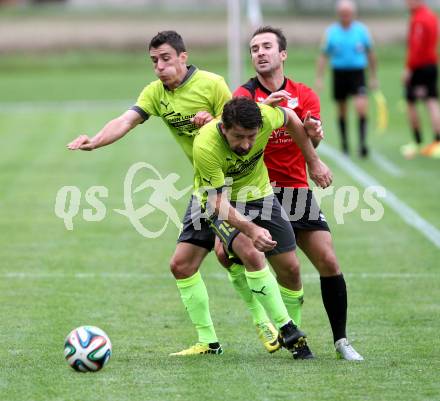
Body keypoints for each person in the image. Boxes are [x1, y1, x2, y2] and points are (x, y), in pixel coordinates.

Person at [67, 30, 252, 356]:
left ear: (183, 56)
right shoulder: (156, 93)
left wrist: (214, 124)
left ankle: (270, 323)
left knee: (228, 255)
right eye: (154, 61)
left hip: (234, 183)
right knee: (181, 265)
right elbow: (125, 120)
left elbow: (241, 129)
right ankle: (209, 342)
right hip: (204, 187)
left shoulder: (212, 84)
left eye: (166, 59)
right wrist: (95, 141)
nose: (159, 67)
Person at [222, 26, 363, 361]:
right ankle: (284, 330)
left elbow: (307, 142)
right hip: (257, 193)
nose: (260, 52)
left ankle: (342, 341)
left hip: (296, 189)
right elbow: (234, 143)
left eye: (267, 46)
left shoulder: (305, 94)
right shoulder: (243, 97)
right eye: (254, 48)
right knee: (282, 266)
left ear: (282, 54)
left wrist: (313, 136)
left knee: (328, 260)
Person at [193, 96, 333, 359]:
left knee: (291, 269)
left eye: (251, 137)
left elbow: (290, 118)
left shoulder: (267, 116)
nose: (246, 144)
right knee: (252, 251)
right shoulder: (205, 145)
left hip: (261, 195)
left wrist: (312, 160)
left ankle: (291, 324)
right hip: (222, 203)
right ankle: (291, 333)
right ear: (223, 127)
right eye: (238, 137)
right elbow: (217, 201)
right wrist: (251, 229)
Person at [315, 0, 377, 158]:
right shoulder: (331, 32)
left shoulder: (361, 31)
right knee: (342, 110)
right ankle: (344, 145)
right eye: (343, 13)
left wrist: (373, 76)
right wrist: (320, 78)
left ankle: (362, 144)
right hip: (339, 73)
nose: (345, 16)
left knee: (361, 108)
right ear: (339, 14)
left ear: (353, 14)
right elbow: (323, 55)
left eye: (348, 13)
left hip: (358, 73)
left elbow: (371, 54)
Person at [401, 0, 440, 159]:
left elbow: (416, 47)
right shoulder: (431, 16)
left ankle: (417, 142)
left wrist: (409, 68)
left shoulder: (419, 19)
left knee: (412, 103)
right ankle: (437, 143)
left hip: (420, 67)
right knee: (431, 101)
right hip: (431, 64)